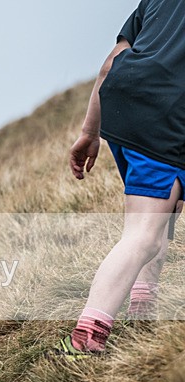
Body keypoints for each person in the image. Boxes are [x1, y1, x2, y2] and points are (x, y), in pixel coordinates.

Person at [51, 0, 185, 361]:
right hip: (169, 113)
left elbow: (111, 61)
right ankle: (85, 340)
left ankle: (143, 304)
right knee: (141, 233)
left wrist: (89, 133)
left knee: (162, 207)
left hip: (124, 102)